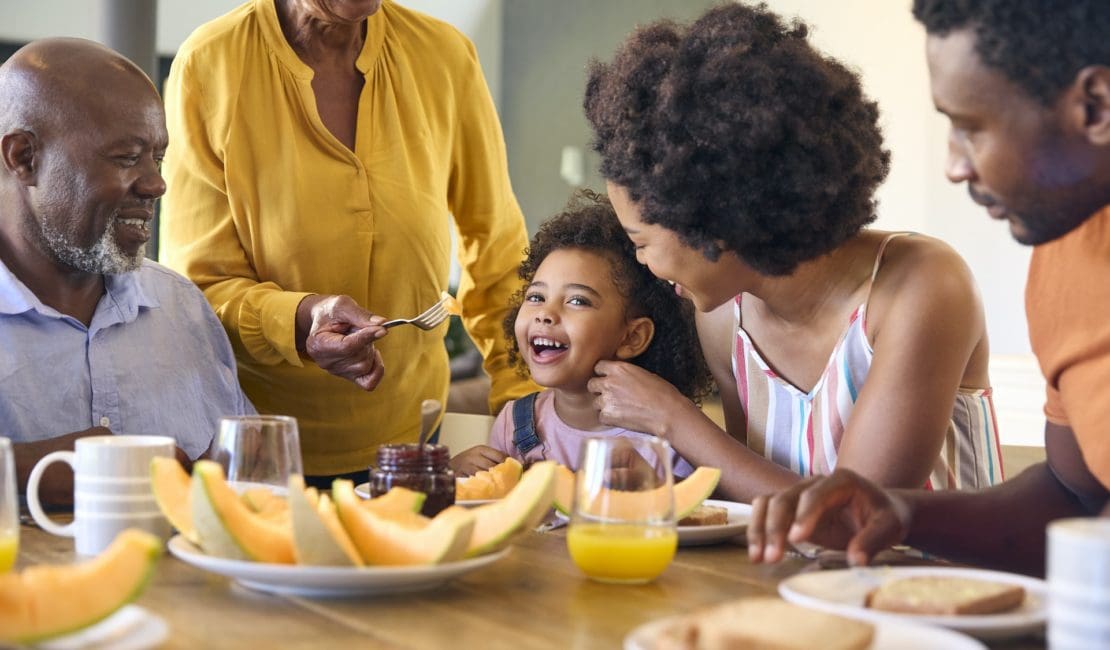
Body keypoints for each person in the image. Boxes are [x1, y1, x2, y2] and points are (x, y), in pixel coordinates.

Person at [582, 3, 1001, 504]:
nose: (644, 263)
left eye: (640, 242)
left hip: (938, 581)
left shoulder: (923, 287)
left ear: (713, 217)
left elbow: (856, 517)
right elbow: (751, 495)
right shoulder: (724, 321)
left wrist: (674, 420)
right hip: (799, 582)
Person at [747, 0, 1110, 577]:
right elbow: (1075, 495)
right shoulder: (1063, 259)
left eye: (970, 127)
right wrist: (901, 512)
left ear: (1095, 106)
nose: (954, 165)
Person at [159, 0, 536, 484]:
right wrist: (301, 318)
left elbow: (498, 253)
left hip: (414, 437)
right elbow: (199, 290)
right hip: (261, 451)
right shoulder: (209, 64)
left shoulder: (444, 56)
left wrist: (522, 406)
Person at [0, 38, 253, 506]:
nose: (156, 183)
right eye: (125, 158)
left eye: (156, 158)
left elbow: (241, 479)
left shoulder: (182, 309)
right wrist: (23, 469)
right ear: (24, 157)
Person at [449, 191, 712, 477]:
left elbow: (700, 512)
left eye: (577, 301)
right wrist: (456, 475)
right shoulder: (514, 424)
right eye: (536, 296)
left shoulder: (666, 437)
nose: (545, 312)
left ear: (632, 337)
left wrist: (659, 490)